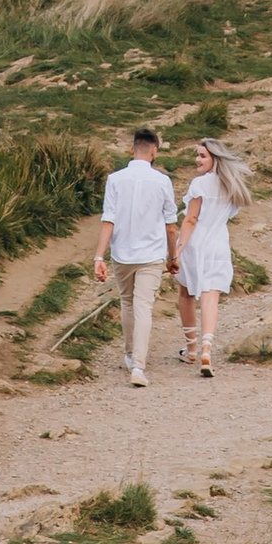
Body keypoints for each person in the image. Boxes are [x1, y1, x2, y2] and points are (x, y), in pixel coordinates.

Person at [93, 127, 180, 385]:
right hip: (152, 253)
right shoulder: (163, 181)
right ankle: (138, 367)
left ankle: (131, 355)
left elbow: (108, 219)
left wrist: (99, 257)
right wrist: (172, 256)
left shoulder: (114, 179)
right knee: (144, 307)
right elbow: (171, 225)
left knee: (127, 303)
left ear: (132, 149)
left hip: (122, 253)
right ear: (154, 152)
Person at [173, 138, 252, 375]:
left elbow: (191, 219)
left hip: (196, 242)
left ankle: (192, 348)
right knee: (211, 295)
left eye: (202, 156)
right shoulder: (230, 185)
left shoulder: (199, 184)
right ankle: (207, 349)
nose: (197, 160)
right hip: (218, 243)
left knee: (186, 292)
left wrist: (177, 251)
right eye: (197, 155)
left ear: (214, 159)